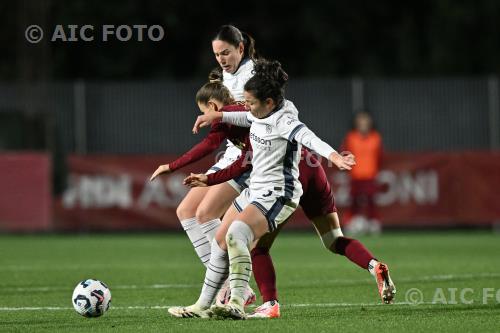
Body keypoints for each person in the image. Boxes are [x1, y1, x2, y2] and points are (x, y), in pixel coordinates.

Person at [168, 58, 358, 320]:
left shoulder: (284, 121)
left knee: (237, 234)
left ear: (269, 103)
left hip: (279, 193)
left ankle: (235, 301)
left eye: (251, 103)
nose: (247, 107)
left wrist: (335, 156)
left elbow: (309, 137)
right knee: (220, 241)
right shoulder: (257, 113)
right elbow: (241, 116)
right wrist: (217, 116)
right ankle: (202, 305)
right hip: (255, 189)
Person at [150, 25, 259, 305]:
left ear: (241, 49)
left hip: (251, 158)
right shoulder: (226, 76)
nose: (221, 59)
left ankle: (234, 287)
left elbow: (254, 115)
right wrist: (172, 166)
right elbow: (214, 138)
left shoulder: (253, 75)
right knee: (186, 210)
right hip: (232, 153)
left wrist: (219, 114)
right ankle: (226, 285)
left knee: (205, 214)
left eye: (226, 52)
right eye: (217, 54)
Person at [342, 111, 383, 235]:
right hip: (355, 175)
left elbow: (380, 157)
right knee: (354, 200)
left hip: (370, 175)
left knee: (371, 200)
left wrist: (377, 171)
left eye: (365, 120)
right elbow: (344, 154)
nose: (363, 123)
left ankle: (373, 224)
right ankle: (352, 223)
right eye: (361, 121)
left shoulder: (375, 138)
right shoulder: (351, 137)